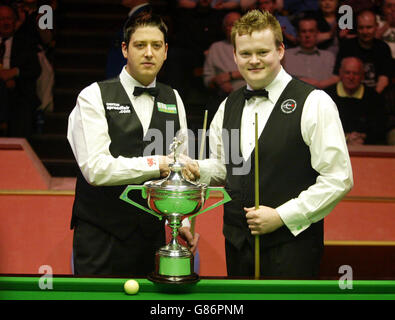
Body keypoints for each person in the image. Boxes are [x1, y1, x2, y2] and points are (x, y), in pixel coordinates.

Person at [191, 10, 353, 278]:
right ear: (234, 55)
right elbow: (227, 169)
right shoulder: (227, 105)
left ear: (280, 50)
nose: (253, 61)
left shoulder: (314, 102)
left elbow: (339, 178)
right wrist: (196, 169)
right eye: (245, 54)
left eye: (262, 52)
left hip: (291, 248)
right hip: (237, 245)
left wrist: (282, 216)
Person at [67, 12, 198, 276]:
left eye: (156, 46)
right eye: (140, 45)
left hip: (150, 236)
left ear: (166, 52)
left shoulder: (174, 98)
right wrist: (157, 163)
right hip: (100, 236)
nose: (149, 53)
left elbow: (178, 171)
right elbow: (96, 169)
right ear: (125, 49)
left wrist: (180, 220)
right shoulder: (93, 96)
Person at [0, 4, 41, 138]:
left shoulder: (25, 43)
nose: (5, 22)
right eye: (1, 19)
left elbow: (35, 69)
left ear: (15, 22)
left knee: (22, 108)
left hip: (19, 92)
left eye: (8, 19)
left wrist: (14, 72)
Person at [326, 57, 387, 145]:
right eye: (347, 73)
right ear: (340, 74)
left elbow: (380, 127)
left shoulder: (374, 97)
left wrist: (363, 138)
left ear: (362, 76)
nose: (351, 77)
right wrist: (346, 138)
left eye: (355, 73)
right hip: (333, 146)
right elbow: (322, 128)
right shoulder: (326, 96)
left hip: (366, 146)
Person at [334, 9, 393, 94]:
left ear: (376, 26)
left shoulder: (383, 48)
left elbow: (383, 81)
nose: (365, 32)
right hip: (349, 95)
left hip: (375, 95)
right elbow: (338, 76)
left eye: (369, 27)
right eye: (361, 27)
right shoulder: (347, 47)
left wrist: (369, 99)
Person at [283, 16, 339, 89]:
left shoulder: (329, 57)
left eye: (311, 31)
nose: (307, 35)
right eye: (303, 31)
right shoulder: (286, 56)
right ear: (298, 34)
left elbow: (338, 78)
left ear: (317, 33)